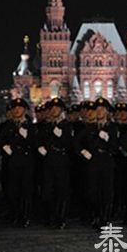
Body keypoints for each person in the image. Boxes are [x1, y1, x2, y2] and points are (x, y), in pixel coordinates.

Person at [75, 98, 118, 228]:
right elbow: (76, 142)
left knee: (106, 191)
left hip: (106, 162)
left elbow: (115, 147)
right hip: (93, 162)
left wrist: (107, 140)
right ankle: (95, 216)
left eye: (101, 109)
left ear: (106, 112)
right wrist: (83, 152)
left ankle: (105, 218)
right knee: (92, 191)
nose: (99, 112)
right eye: (97, 110)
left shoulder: (112, 128)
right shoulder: (90, 127)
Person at [0, 98, 38, 228]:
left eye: (20, 108)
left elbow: (35, 143)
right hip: (12, 161)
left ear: (25, 110)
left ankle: (25, 216)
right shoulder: (8, 126)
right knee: (13, 190)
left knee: (26, 190)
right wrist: (5, 147)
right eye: (14, 108)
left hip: (27, 162)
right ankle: (16, 214)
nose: (17, 110)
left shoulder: (31, 126)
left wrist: (26, 137)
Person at [38, 98, 73, 229]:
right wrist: (40, 148)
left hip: (62, 159)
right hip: (48, 159)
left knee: (62, 191)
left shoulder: (66, 125)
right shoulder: (46, 126)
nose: (54, 111)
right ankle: (50, 216)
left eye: (57, 108)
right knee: (48, 190)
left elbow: (70, 144)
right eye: (52, 108)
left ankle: (61, 218)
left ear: (61, 110)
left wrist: (61, 136)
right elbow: (38, 139)